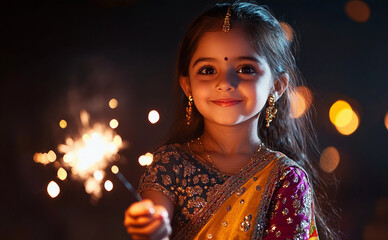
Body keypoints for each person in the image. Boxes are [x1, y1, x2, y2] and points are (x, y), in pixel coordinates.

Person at [124, 2, 336, 239]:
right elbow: (154, 218)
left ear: (277, 86)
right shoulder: (171, 164)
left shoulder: (286, 179)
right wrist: (151, 229)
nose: (225, 82)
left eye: (245, 69)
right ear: (187, 86)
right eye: (207, 70)